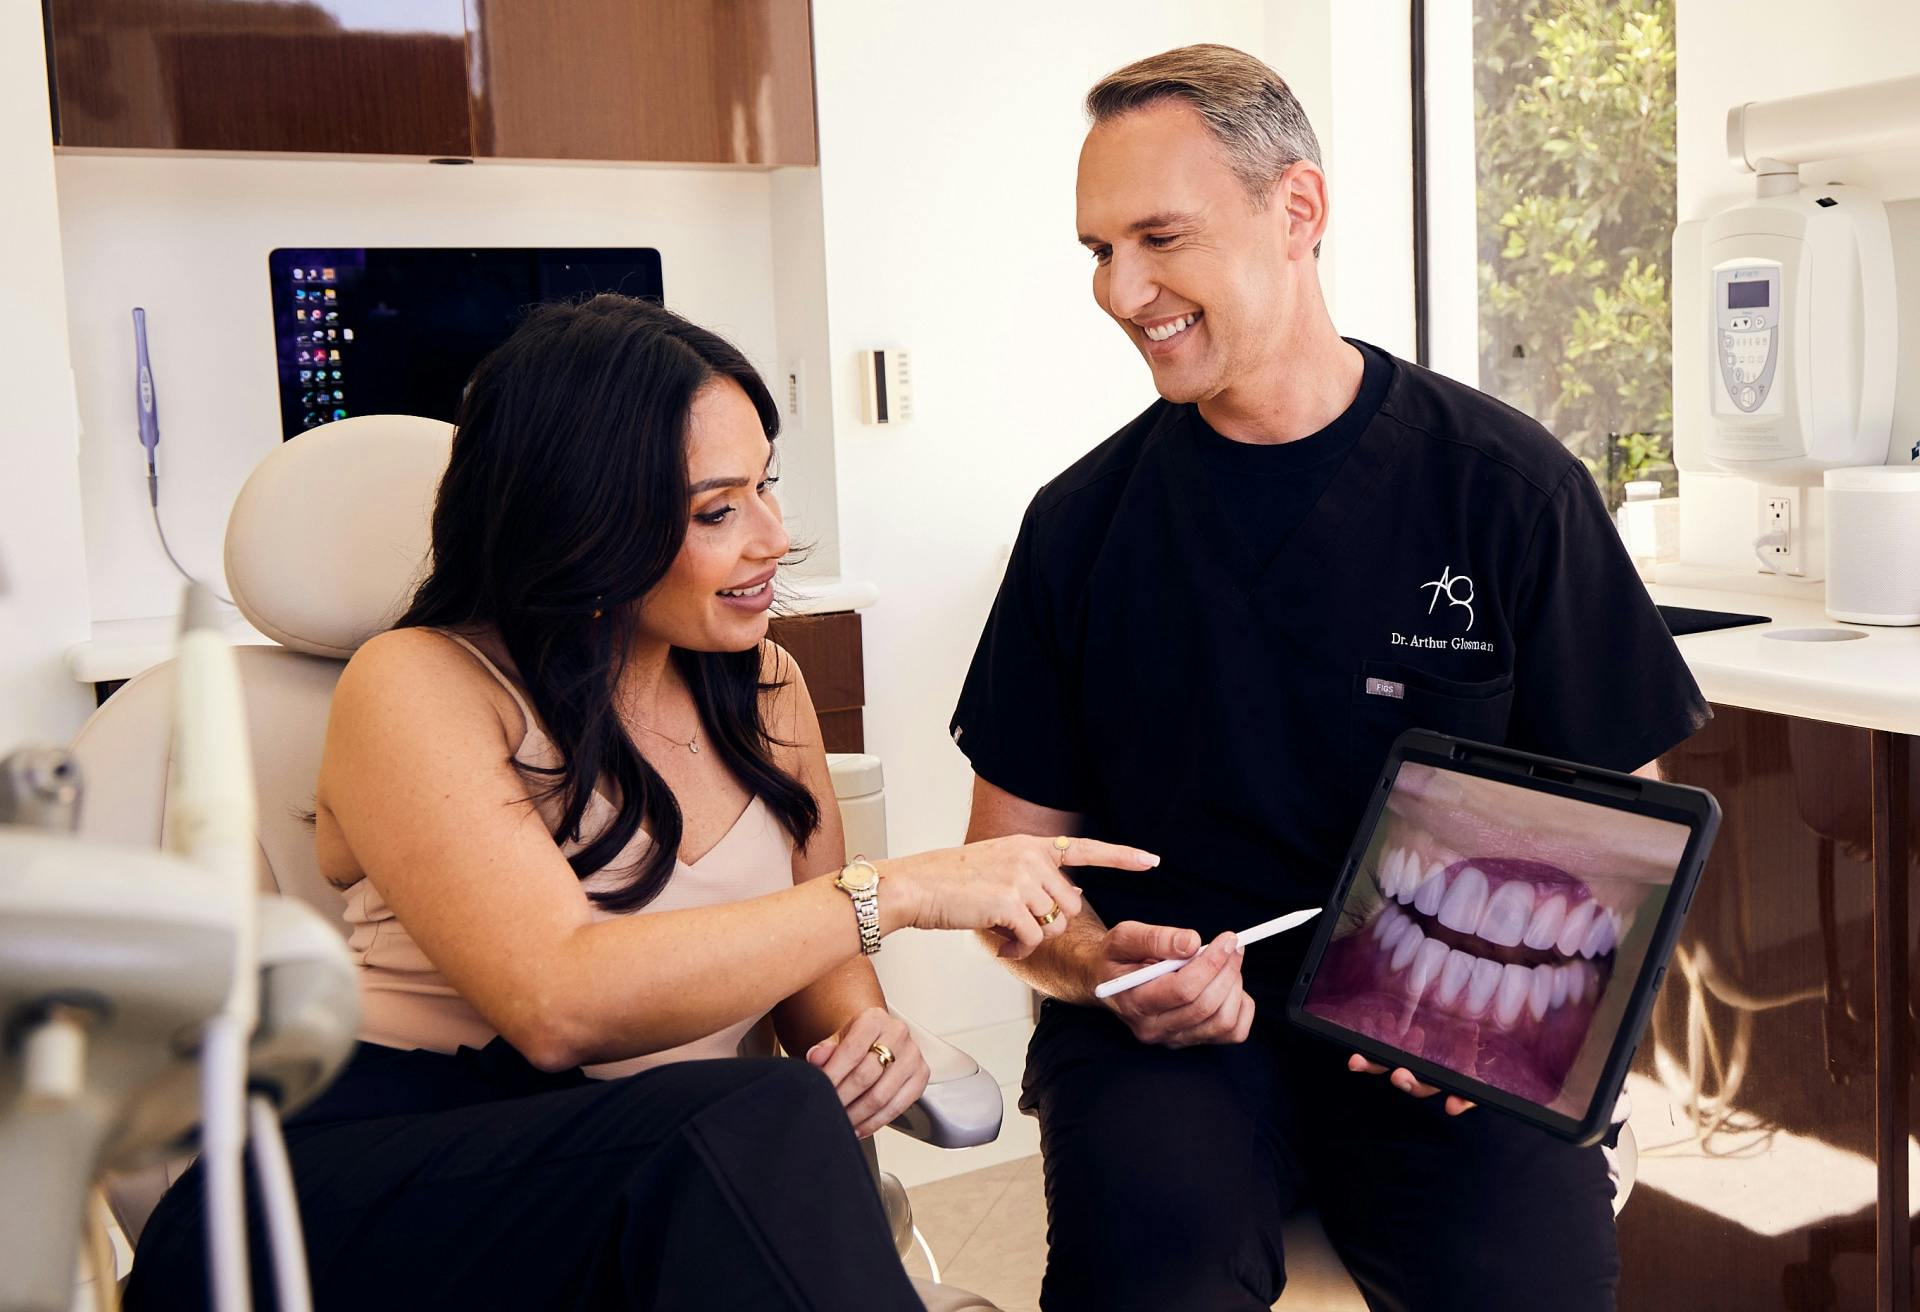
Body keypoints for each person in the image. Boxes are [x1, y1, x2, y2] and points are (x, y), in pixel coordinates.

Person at [126, 294, 1155, 1310]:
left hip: (663, 1176)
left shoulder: (764, 686)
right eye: (718, 510)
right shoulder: (416, 685)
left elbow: (822, 961)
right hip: (365, 1192)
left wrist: (863, 1031)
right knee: (757, 1116)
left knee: (764, 1118)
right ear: (584, 521)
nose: (773, 538)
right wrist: (905, 888)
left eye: (766, 488)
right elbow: (558, 1003)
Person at [950, 45, 1709, 1312]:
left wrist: (1527, 1017)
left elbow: (1626, 835)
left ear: (1296, 211)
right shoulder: (1081, 527)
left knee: (1525, 1281)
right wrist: (1100, 968)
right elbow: (1002, 877)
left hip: (1454, 1021)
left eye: (1158, 238)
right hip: (1172, 1047)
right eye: (1097, 249)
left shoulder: (1505, 492)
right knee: (1153, 1269)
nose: (1121, 289)